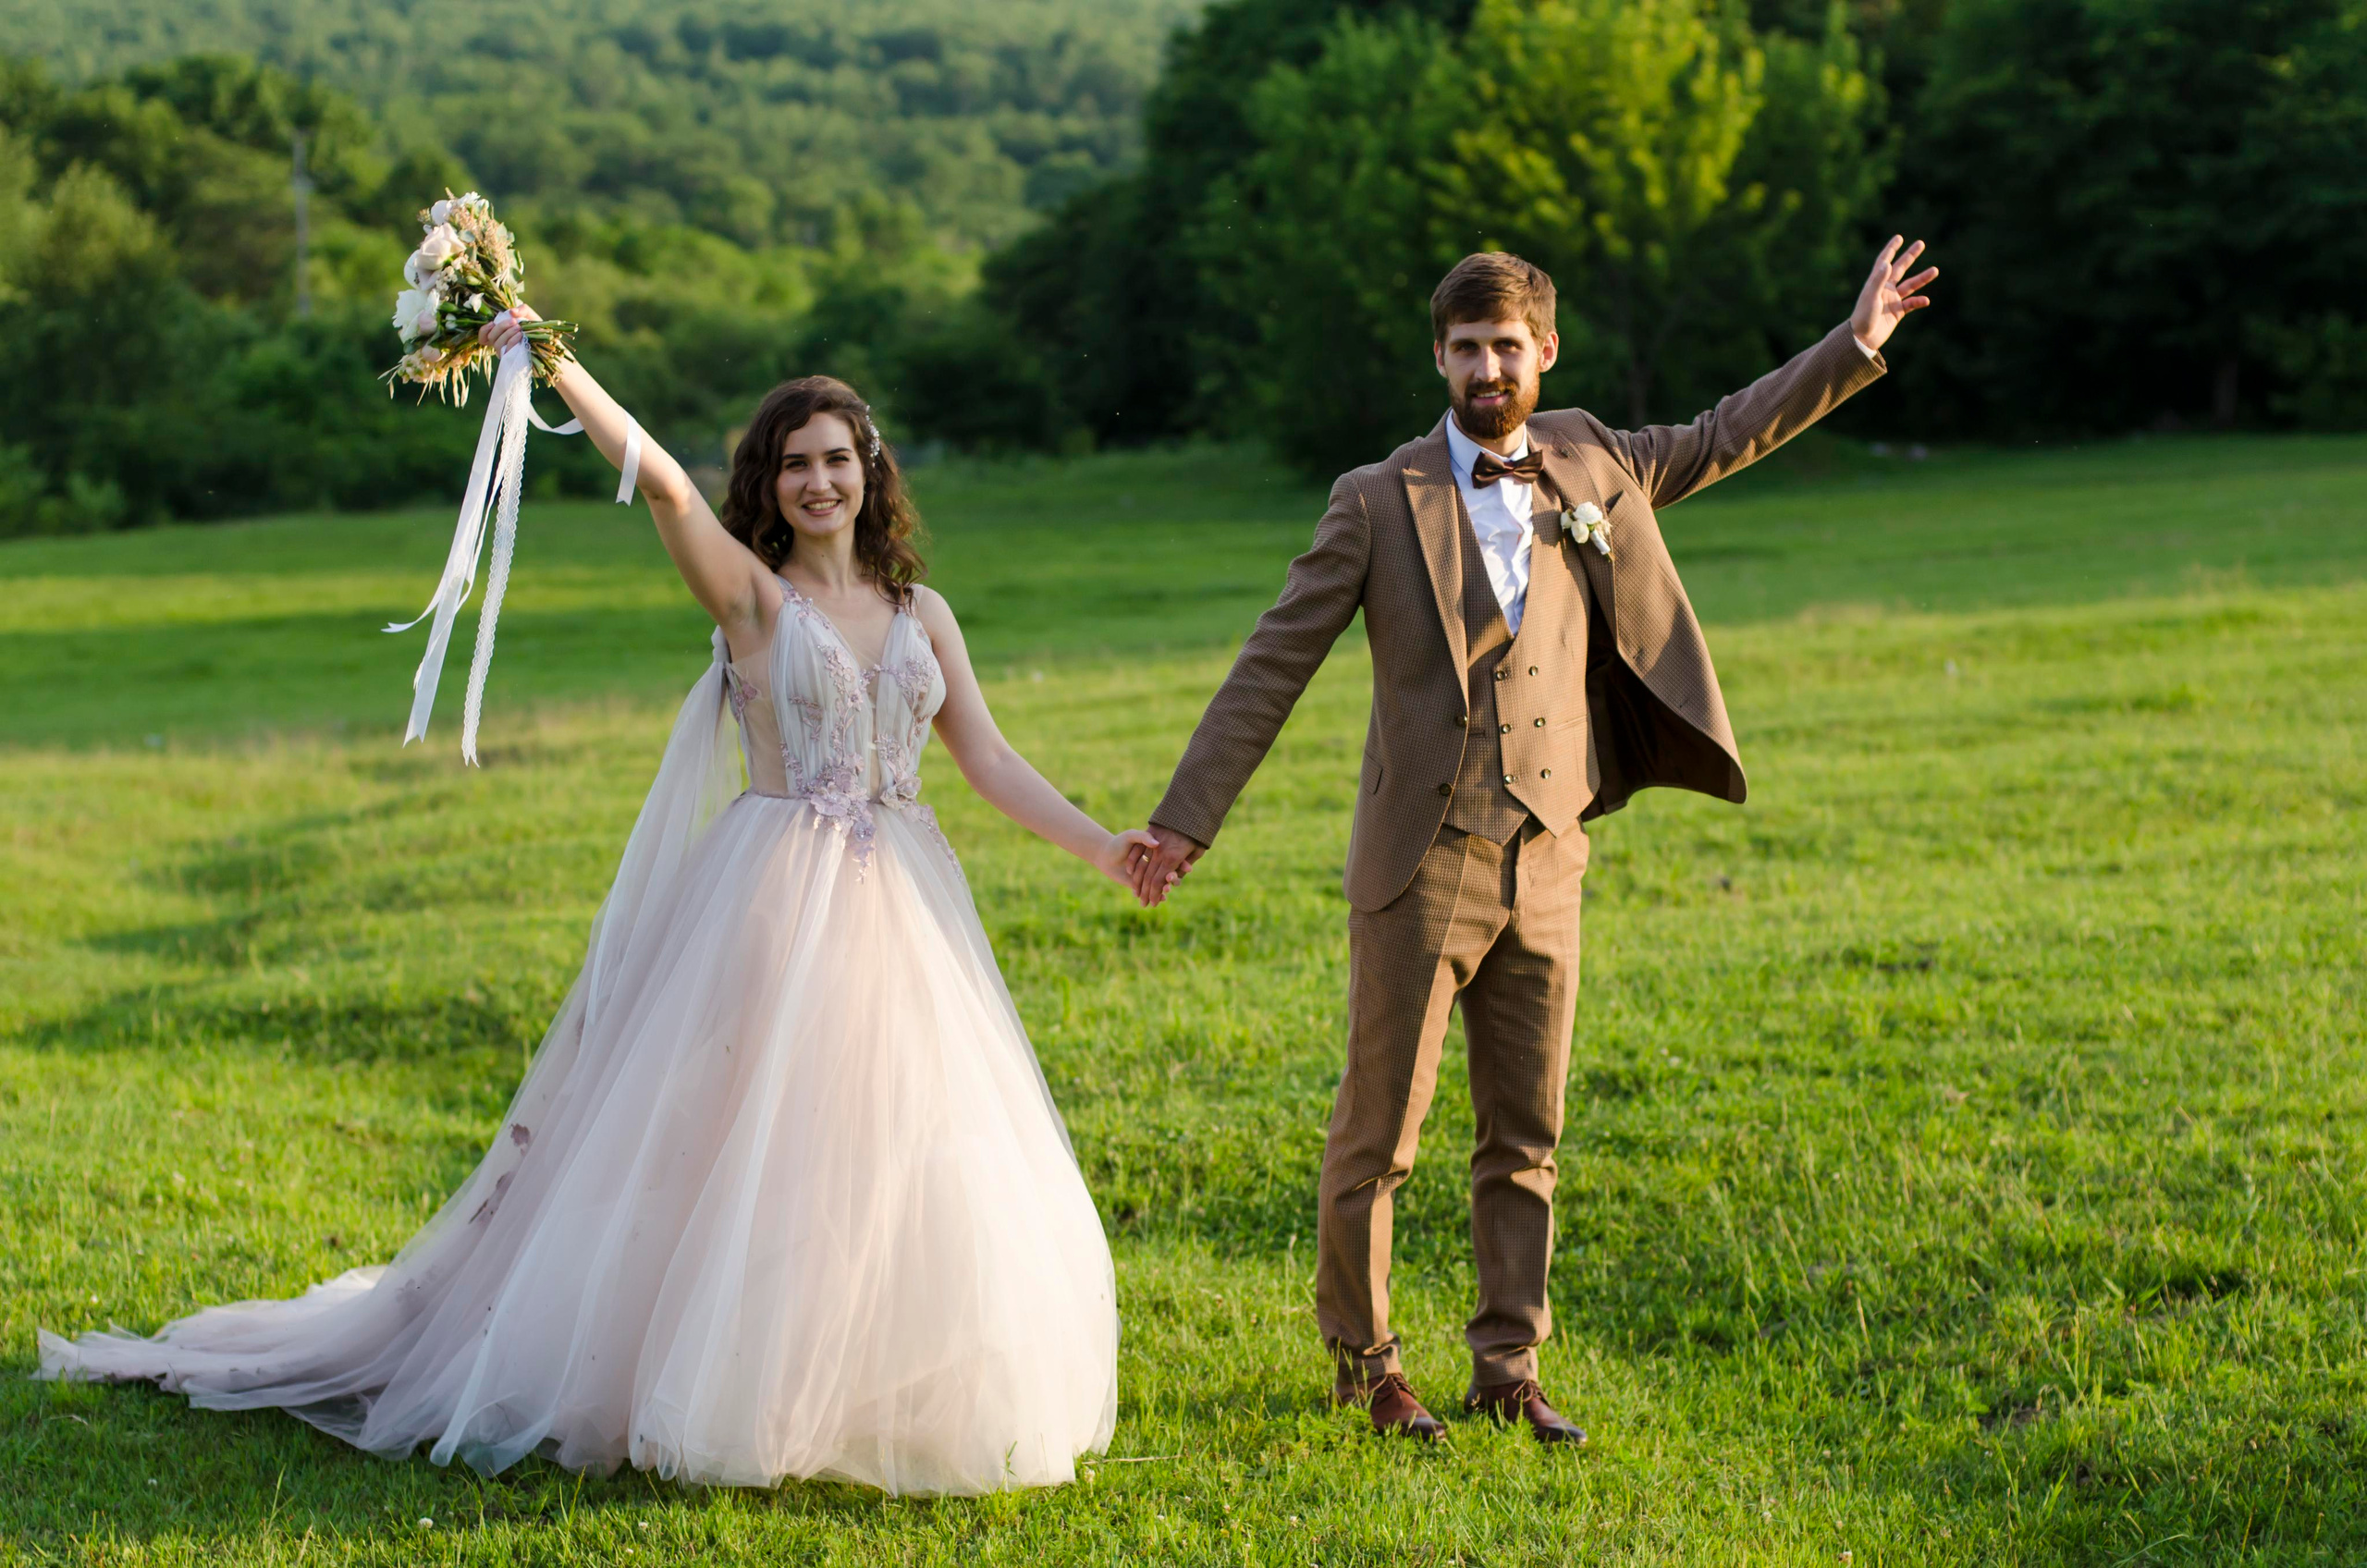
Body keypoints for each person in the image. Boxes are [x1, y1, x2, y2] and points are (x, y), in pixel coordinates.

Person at [37, 308, 1172, 1495]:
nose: (819, 481)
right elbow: (667, 488)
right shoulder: (750, 600)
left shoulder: (922, 613)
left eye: (838, 457)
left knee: (901, 1144)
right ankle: (700, 1374)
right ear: (770, 485)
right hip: (776, 901)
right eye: (794, 463)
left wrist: (1107, 847)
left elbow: (985, 760)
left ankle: (868, 1377)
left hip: (907, 907)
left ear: (869, 468)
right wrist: (551, 358)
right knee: (751, 1147)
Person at [1131, 239, 1939, 1443]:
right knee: (1380, 1135)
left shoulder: (1593, 463)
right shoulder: (1376, 499)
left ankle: (1507, 1367)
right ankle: (1369, 1367)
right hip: (1419, 866)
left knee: (1527, 1135)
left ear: (1544, 352)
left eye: (1507, 346)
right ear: (1440, 360)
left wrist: (1855, 344)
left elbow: (1727, 433)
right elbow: (1271, 664)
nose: (1486, 368)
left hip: (1549, 860)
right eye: (1465, 349)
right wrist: (1184, 819)